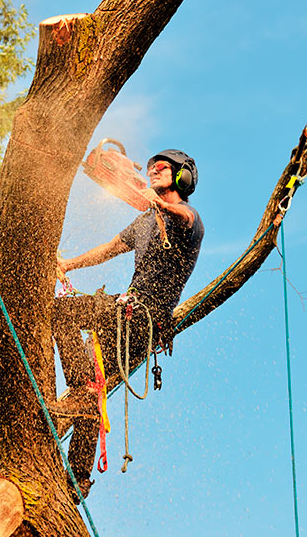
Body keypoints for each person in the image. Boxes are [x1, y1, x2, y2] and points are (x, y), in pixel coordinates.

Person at [51, 149, 204, 500]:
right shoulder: (144, 221)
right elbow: (108, 249)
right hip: (121, 315)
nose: (153, 172)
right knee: (90, 385)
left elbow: (184, 216)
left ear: (182, 177)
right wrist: (68, 264)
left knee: (61, 313)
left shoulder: (187, 219)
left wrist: (161, 204)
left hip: (143, 321)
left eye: (162, 169)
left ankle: (81, 387)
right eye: (150, 169)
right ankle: (78, 477)